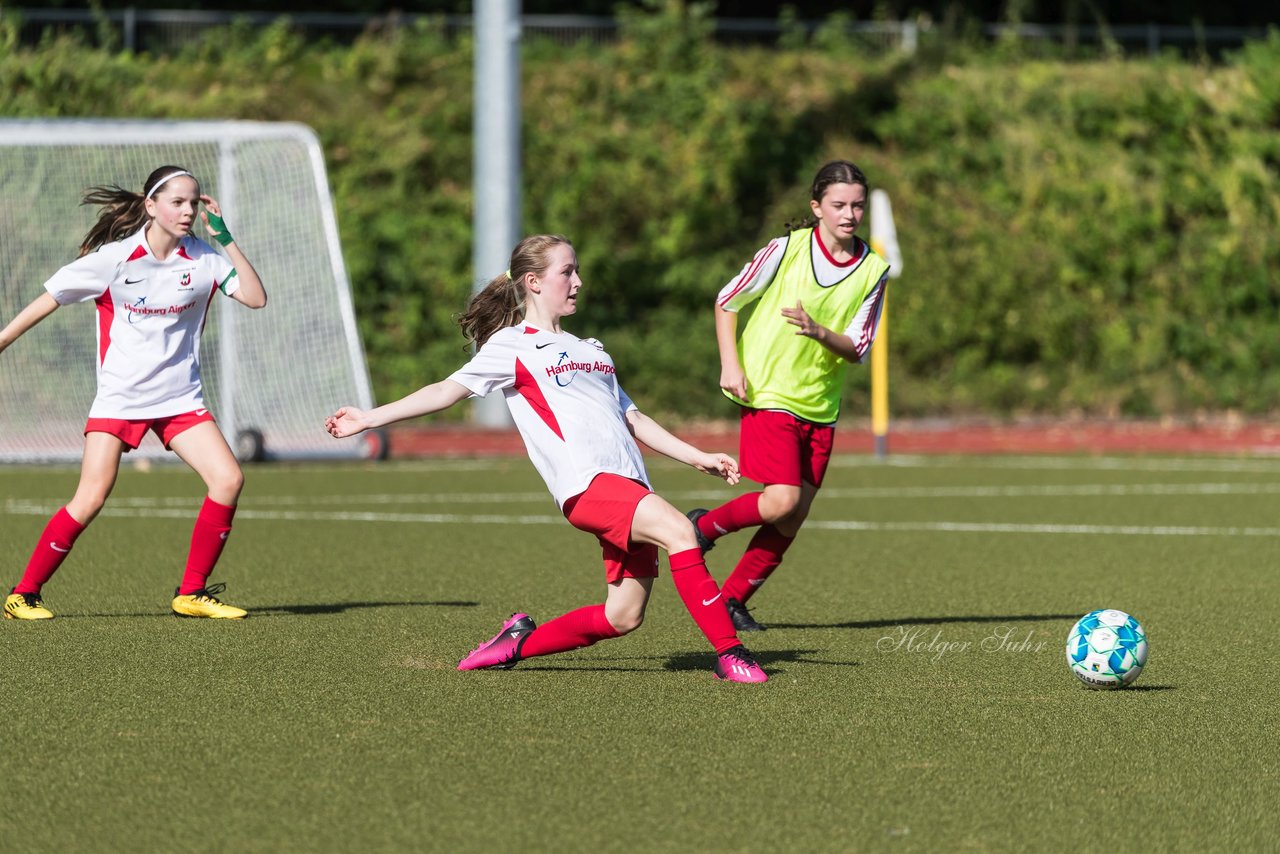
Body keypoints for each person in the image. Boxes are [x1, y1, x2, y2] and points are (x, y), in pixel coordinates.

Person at [325, 234, 767, 683]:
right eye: (567, 272)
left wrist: (697, 457)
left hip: (630, 485)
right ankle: (731, 653)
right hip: (587, 485)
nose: (578, 281)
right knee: (680, 532)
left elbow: (632, 416)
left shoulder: (592, 348)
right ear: (533, 282)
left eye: (576, 270)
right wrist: (369, 418)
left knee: (623, 616)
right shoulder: (510, 345)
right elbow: (445, 390)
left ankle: (515, 644)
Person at [0, 166, 267, 621]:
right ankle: (23, 595)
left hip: (181, 401)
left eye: (193, 202)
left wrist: (225, 238)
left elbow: (256, 298)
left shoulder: (204, 258)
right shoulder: (115, 259)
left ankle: (192, 593)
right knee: (90, 498)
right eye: (177, 202)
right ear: (150, 206)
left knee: (228, 479)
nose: (187, 211)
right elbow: (48, 299)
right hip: (120, 399)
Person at [686, 160, 890, 631]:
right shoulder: (785, 250)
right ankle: (701, 528)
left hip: (821, 404)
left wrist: (819, 332)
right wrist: (730, 364)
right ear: (816, 207)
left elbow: (858, 347)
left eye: (857, 205)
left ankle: (733, 599)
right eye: (838, 204)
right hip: (768, 391)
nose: (849, 214)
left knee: (793, 515)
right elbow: (727, 299)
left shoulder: (873, 270)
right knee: (779, 500)